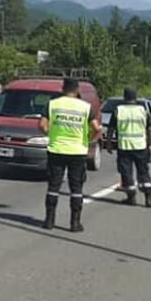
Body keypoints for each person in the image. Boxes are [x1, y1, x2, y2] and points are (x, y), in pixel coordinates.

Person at [39, 78, 102, 232]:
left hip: (57, 149)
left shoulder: (53, 104)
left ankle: (49, 221)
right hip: (77, 152)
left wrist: (50, 134)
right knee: (76, 187)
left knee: (53, 186)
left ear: (63, 89)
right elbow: (96, 128)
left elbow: (42, 125)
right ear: (77, 90)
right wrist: (89, 139)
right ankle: (75, 223)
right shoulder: (85, 107)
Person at [106, 87, 151, 207]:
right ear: (136, 97)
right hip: (140, 146)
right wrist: (149, 144)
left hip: (124, 146)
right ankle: (148, 198)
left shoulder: (118, 111)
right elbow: (149, 130)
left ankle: (131, 197)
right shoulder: (143, 111)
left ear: (124, 97)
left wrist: (108, 143)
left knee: (126, 173)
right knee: (143, 172)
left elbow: (111, 129)